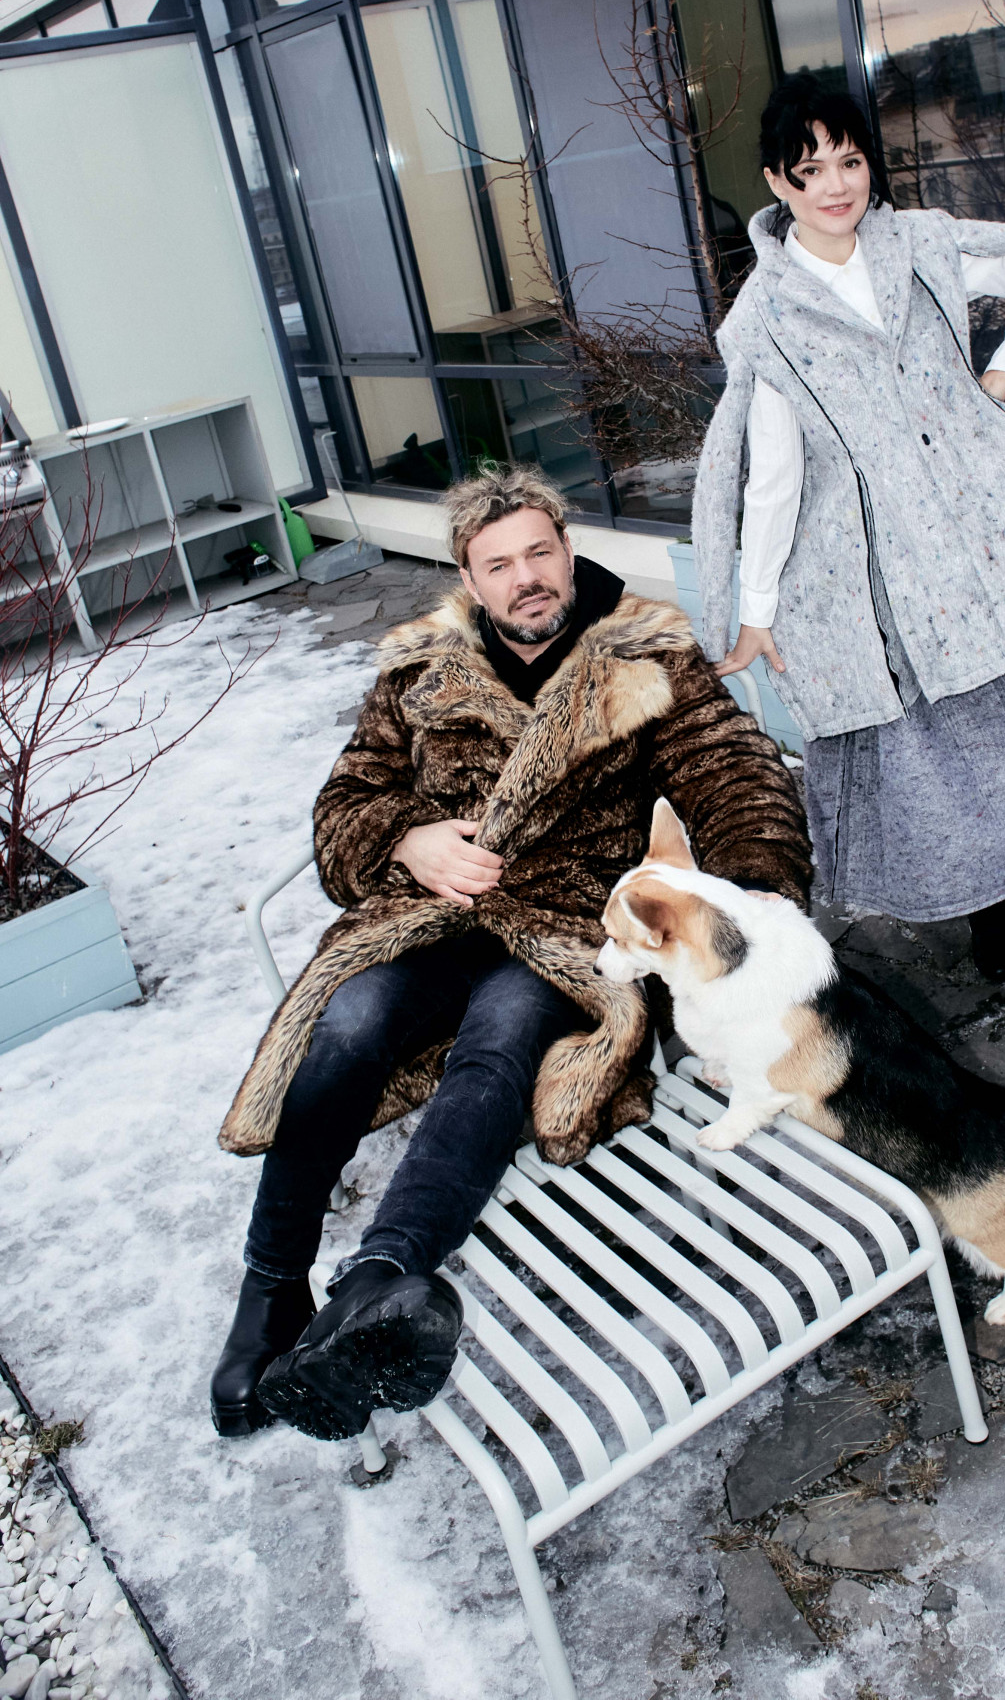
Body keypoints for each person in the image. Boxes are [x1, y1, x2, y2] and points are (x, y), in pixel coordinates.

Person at [211, 466, 809, 1443]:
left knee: (504, 1031)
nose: (525, 577)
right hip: (434, 916)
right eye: (499, 564)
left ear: (568, 552)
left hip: (567, 931)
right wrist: (408, 838)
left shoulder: (646, 652)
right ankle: (272, 1285)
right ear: (468, 576)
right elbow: (346, 804)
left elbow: (732, 772)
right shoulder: (419, 668)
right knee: (349, 1018)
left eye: (539, 552)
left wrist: (754, 891)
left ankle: (378, 1281)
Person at [693, 75, 1005, 1000]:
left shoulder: (921, 243)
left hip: (996, 532)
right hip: (888, 565)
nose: (836, 186)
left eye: (849, 161)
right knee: (955, 746)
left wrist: (1001, 374)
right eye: (810, 171)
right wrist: (757, 607)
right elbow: (773, 474)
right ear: (776, 183)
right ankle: (988, 909)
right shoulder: (762, 318)